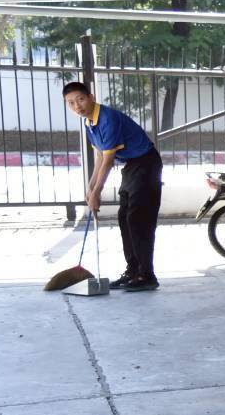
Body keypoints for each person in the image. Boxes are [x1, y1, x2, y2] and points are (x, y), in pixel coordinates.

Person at [63, 82, 163, 292]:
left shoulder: (107, 119)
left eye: (80, 99)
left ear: (91, 97)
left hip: (146, 164)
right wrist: (91, 188)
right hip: (132, 166)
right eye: (71, 103)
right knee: (124, 217)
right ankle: (133, 271)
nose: (77, 106)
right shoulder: (89, 122)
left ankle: (146, 275)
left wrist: (97, 193)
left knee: (138, 219)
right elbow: (100, 156)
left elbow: (108, 161)